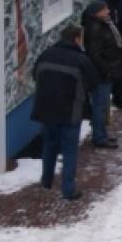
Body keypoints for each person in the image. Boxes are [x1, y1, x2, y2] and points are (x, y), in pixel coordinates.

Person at [32, 24, 98, 201]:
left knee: (49, 145)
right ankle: (68, 190)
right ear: (77, 38)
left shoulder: (45, 54)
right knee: (69, 150)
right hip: (71, 111)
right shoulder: (81, 59)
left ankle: (46, 181)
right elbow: (93, 82)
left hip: (46, 109)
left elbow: (34, 75)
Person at [81, 0, 122, 149]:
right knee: (100, 106)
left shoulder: (103, 24)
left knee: (103, 106)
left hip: (106, 72)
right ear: (96, 12)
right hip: (102, 74)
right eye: (104, 9)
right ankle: (99, 137)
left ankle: (102, 134)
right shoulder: (94, 28)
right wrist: (107, 69)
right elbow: (94, 54)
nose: (108, 11)